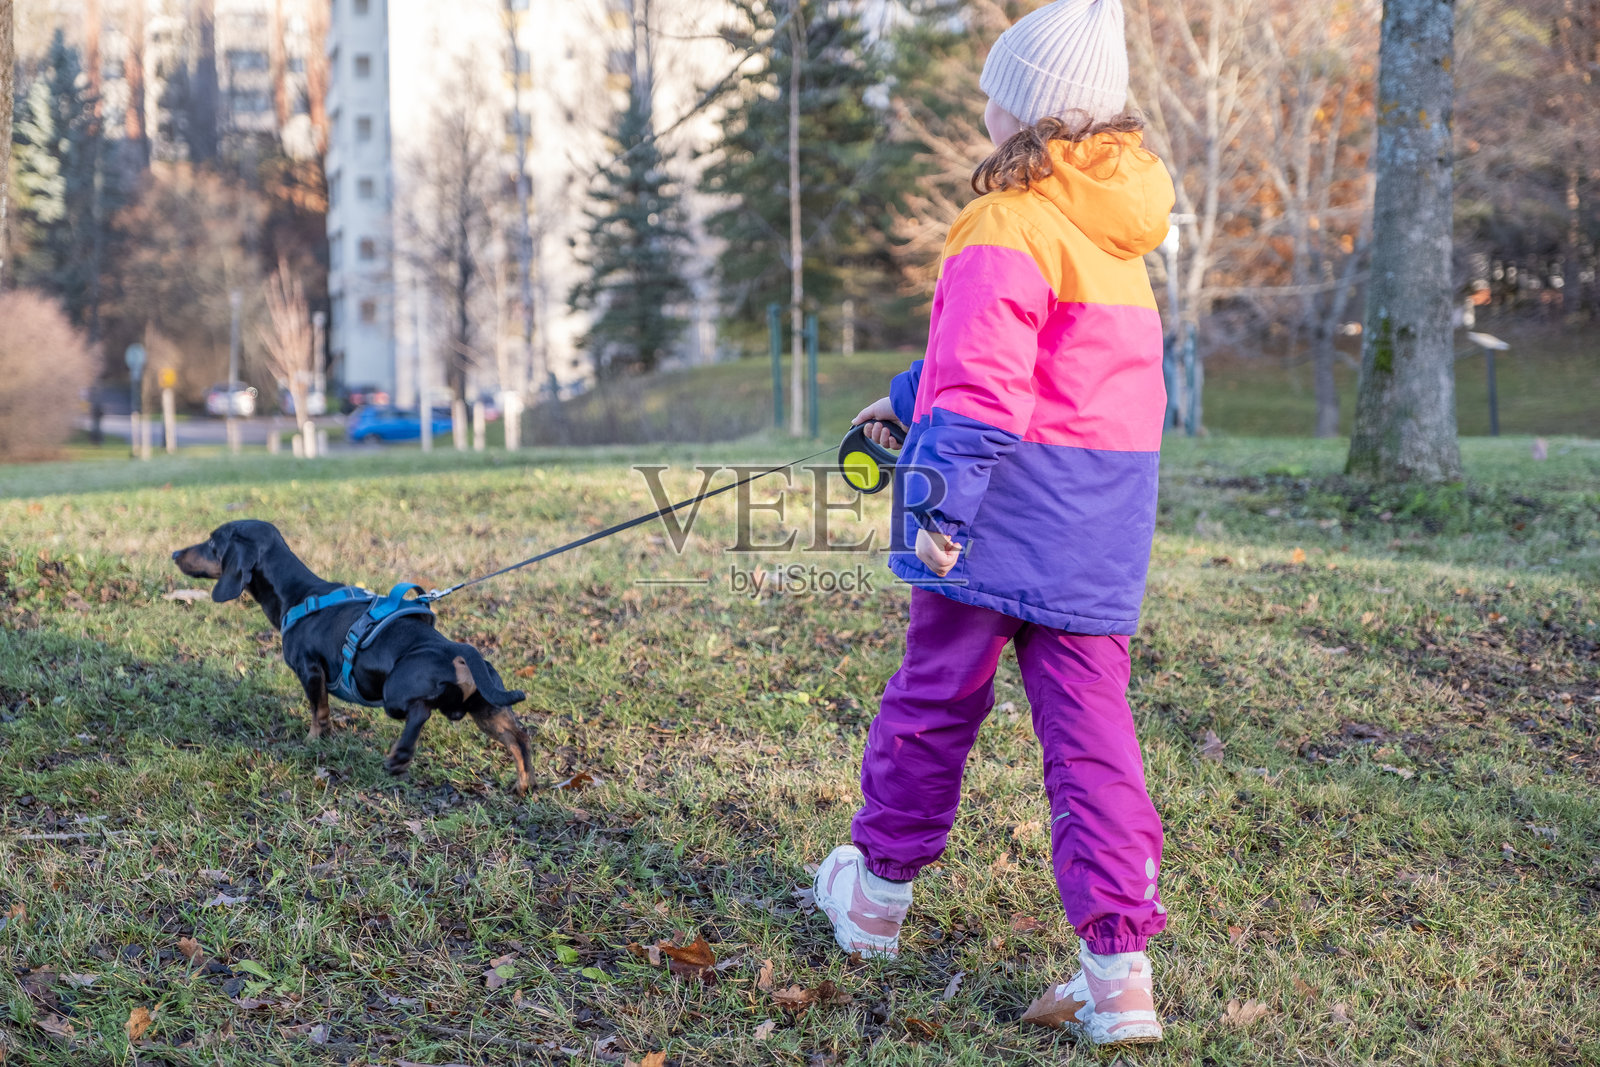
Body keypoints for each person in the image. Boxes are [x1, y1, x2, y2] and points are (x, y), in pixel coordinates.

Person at [810, 0, 1175, 1048]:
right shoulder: (1115, 232)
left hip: (993, 521)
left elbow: (983, 390)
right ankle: (1119, 975)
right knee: (1093, 743)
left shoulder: (1001, 221)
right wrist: (901, 393)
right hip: (1095, 529)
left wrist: (935, 510)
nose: (978, 103)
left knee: (935, 702)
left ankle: (873, 900)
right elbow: (1029, 358)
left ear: (1021, 111)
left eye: (992, 89)